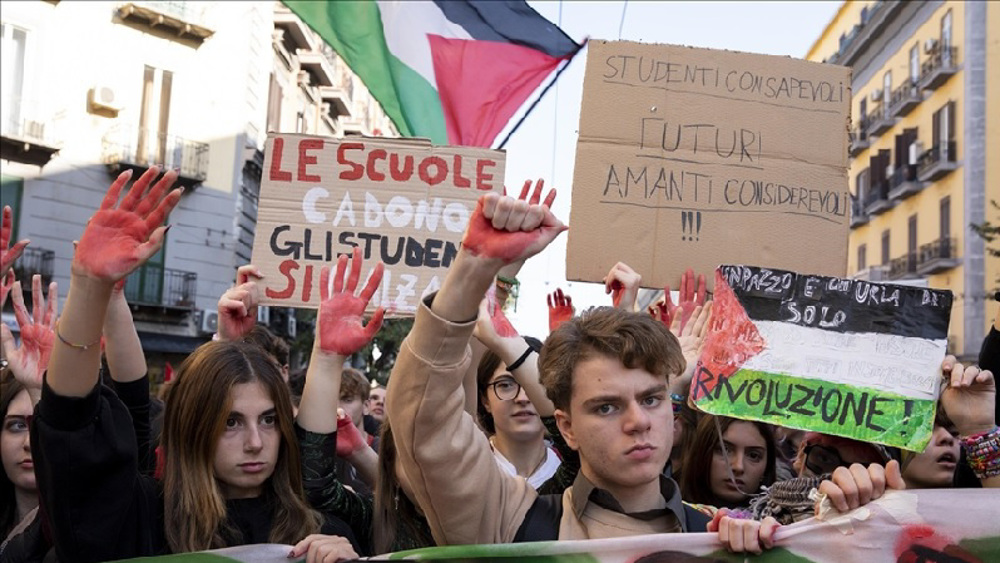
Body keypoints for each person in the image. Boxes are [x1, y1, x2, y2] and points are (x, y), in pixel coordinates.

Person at [386, 183, 888, 553]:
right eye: (606, 407)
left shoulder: (728, 537)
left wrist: (861, 514)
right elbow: (425, 424)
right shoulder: (510, 523)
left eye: (650, 399)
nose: (638, 422)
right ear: (566, 427)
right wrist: (473, 268)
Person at [30, 167, 359, 562]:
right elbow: (72, 429)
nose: (255, 442)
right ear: (192, 425)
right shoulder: (141, 519)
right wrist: (90, 287)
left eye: (269, 419)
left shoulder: (323, 533)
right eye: (231, 422)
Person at [476, 337, 560, 489]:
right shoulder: (467, 469)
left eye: (536, 384)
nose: (522, 398)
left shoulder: (578, 470)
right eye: (506, 385)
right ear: (485, 400)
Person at [680, 416, 776, 513]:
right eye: (724, 450)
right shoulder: (674, 515)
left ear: (767, 467)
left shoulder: (780, 520)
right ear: (701, 452)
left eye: (753, 455)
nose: (738, 466)